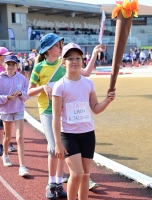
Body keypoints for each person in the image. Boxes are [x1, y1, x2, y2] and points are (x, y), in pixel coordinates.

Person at [28, 33, 105, 199]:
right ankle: (52, 182)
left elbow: (85, 73)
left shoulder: (65, 66)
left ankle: (64, 178)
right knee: (54, 148)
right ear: (48, 49)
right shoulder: (40, 67)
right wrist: (43, 88)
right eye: (57, 45)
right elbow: (29, 91)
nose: (60, 47)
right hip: (49, 111)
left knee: (72, 161)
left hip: (73, 119)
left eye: (61, 45)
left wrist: (93, 53)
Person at [52, 43, 115, 200]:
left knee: (86, 174)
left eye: (78, 58)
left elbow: (95, 107)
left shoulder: (88, 83)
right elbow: (55, 117)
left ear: (82, 60)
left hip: (87, 134)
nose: (75, 61)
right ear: (63, 62)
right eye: (71, 58)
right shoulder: (60, 86)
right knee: (77, 173)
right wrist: (58, 143)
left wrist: (107, 101)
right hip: (69, 135)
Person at [0, 55, 30, 177]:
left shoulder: (22, 78)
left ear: (17, 66)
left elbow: (27, 94)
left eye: (13, 64)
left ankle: (22, 166)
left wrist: (21, 93)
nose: (11, 67)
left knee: (19, 138)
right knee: (8, 137)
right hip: (6, 110)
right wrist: (6, 98)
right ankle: (5, 154)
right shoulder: (0, 79)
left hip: (18, 110)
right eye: (8, 64)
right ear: (5, 65)